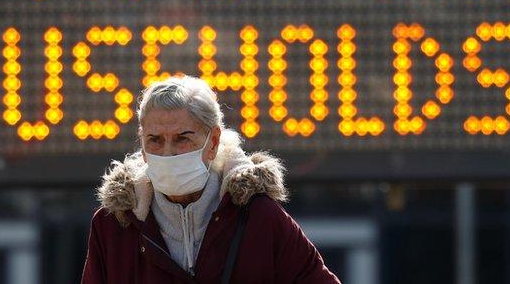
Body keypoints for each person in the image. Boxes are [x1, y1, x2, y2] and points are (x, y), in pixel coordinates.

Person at [81, 75, 341, 283]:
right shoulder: (114, 226)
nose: (168, 152)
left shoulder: (260, 218)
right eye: (155, 140)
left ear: (213, 142)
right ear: (142, 142)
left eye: (183, 138)